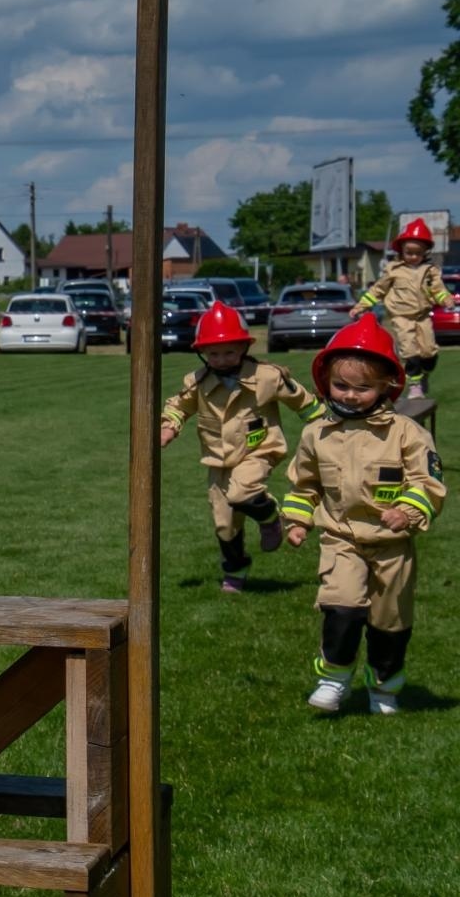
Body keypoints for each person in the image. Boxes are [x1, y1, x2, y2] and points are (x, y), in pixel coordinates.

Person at [281, 315, 445, 714]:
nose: (351, 395)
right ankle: (334, 677)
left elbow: (429, 483)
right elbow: (305, 485)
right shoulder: (316, 433)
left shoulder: (406, 432)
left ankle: (384, 688)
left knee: (390, 624)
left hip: (392, 546)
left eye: (363, 387)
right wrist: (298, 521)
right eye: (342, 385)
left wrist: (407, 511)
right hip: (342, 539)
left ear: (387, 385)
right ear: (325, 383)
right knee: (342, 607)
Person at [160, 301, 325, 592]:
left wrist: (324, 426)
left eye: (229, 352)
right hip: (218, 461)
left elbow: (303, 402)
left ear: (244, 348)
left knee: (243, 490)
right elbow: (178, 406)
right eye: (213, 354)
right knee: (225, 525)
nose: (222, 359)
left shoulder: (268, 377)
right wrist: (170, 425)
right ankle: (236, 569)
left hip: (258, 452)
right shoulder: (196, 382)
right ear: (202, 353)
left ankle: (270, 515)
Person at [349, 217, 455, 399]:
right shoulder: (393, 270)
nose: (413, 257)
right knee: (410, 352)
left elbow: (438, 290)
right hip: (401, 317)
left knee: (429, 353)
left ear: (425, 252)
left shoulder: (430, 271)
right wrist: (361, 306)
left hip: (422, 317)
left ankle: (424, 375)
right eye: (409, 252)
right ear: (401, 251)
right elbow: (377, 290)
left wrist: (445, 298)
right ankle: (414, 386)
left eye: (418, 253)